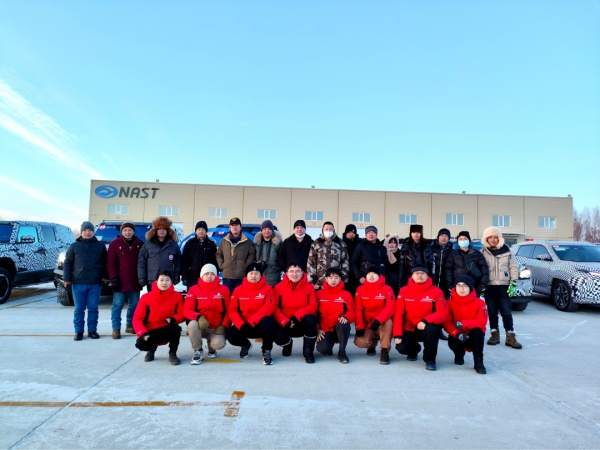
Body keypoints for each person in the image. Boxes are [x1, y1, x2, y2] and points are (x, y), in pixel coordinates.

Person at [393, 266, 448, 371]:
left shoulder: (436, 291)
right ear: (412, 276)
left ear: (427, 276)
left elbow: (443, 313)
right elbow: (398, 314)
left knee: (433, 329)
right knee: (401, 347)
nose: (419, 276)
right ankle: (414, 350)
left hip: (426, 326)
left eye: (423, 273)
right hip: (410, 327)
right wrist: (397, 334)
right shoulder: (404, 291)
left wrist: (426, 320)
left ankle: (430, 359)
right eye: (416, 273)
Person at [226, 262, 278, 365]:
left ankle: (266, 351)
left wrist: (253, 321)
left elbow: (269, 307)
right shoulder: (238, 290)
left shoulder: (267, 289)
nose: (253, 276)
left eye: (256, 273)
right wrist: (241, 325)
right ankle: (245, 344)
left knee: (269, 322)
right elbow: (232, 310)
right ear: (246, 275)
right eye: (251, 273)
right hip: (245, 325)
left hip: (260, 325)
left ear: (261, 275)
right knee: (230, 334)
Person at [63, 221, 107, 341]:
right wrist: (67, 278)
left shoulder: (100, 246)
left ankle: (92, 331)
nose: (88, 232)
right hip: (78, 283)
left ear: (93, 232)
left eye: (90, 230)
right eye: (85, 230)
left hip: (95, 283)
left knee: (93, 308)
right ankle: (79, 332)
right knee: (79, 309)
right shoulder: (74, 246)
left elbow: (105, 263)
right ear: (82, 232)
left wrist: (104, 276)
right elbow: (68, 263)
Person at [480, 226, 522, 349]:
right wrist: (481, 285)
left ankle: (510, 336)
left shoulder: (507, 251)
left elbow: (513, 267)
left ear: (499, 238)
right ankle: (494, 334)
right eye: (490, 237)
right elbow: (479, 269)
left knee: (506, 312)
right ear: (486, 239)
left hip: (504, 286)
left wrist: (514, 282)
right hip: (489, 287)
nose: (493, 240)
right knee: (492, 312)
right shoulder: (482, 253)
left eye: (495, 237)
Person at [132, 271, 184, 365]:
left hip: (166, 328)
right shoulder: (146, 298)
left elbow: (181, 314)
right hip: (150, 330)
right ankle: (151, 351)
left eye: (167, 280)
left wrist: (173, 319)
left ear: (171, 282)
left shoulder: (177, 297)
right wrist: (143, 333)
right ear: (156, 281)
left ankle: (173, 353)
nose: (164, 283)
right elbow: (137, 319)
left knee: (176, 329)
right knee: (140, 343)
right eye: (162, 280)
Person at [184, 263, 230, 364]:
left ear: (216, 276)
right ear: (201, 275)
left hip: (216, 328)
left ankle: (211, 347)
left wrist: (224, 325)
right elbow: (186, 310)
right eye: (206, 274)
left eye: (212, 274)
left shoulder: (223, 290)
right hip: (201, 326)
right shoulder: (193, 290)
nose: (209, 276)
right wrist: (198, 317)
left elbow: (229, 310)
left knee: (218, 344)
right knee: (192, 325)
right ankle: (198, 350)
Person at [273, 264, 318, 363]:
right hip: (286, 322)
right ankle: (287, 343)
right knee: (273, 328)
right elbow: (274, 308)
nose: (294, 274)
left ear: (302, 273)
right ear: (286, 273)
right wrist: (285, 321)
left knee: (311, 320)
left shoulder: (309, 287)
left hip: (301, 322)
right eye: (291, 271)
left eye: (298, 271)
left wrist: (297, 317)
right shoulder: (278, 287)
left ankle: (308, 352)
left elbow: (313, 306)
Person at [444, 275, 488, 374]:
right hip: (457, 333)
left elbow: (482, 321)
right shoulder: (449, 303)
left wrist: (463, 323)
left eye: (464, 286)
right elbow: (446, 322)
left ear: (470, 287)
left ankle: (479, 363)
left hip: (473, 334)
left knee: (478, 332)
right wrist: (456, 333)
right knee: (453, 342)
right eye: (458, 285)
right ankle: (459, 354)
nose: (461, 288)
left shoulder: (480, 303)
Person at [107, 222, 143, 339]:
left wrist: (141, 278)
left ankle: (130, 325)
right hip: (120, 282)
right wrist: (113, 279)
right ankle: (116, 329)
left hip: (134, 281)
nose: (128, 232)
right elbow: (111, 264)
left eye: (130, 230)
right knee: (117, 305)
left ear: (133, 231)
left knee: (134, 305)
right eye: (125, 230)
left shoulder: (139, 244)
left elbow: (142, 263)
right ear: (121, 232)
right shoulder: (115, 244)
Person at [354, 266, 395, 364]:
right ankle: (372, 344)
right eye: (369, 274)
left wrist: (378, 320)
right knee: (360, 342)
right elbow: (358, 309)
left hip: (382, 321)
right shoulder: (360, 289)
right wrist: (359, 327)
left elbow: (390, 307)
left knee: (388, 321)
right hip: (368, 323)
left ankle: (385, 350)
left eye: (374, 274)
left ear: (379, 276)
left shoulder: (387, 289)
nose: (371, 276)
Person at [316, 268, 354, 363]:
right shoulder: (318, 294)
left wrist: (346, 317)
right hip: (325, 329)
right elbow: (314, 313)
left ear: (340, 279)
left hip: (339, 327)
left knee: (343, 324)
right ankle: (329, 344)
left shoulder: (346, 295)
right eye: (330, 277)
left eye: (336, 277)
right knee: (323, 350)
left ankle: (342, 352)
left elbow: (352, 312)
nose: (333, 280)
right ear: (326, 279)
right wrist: (317, 329)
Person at [137, 216, 181, 292]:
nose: (162, 231)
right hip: (152, 280)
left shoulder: (173, 245)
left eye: (164, 229)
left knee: (167, 302)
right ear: (155, 231)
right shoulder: (148, 244)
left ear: (168, 231)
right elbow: (141, 262)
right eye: (159, 229)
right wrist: (141, 277)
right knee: (153, 302)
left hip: (167, 280)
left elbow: (178, 262)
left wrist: (176, 276)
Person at [216, 217, 256, 293]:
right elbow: (218, 254)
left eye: (237, 225)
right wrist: (222, 265)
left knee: (240, 299)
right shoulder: (224, 241)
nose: (234, 227)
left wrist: (246, 266)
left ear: (240, 227)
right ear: (230, 227)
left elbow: (252, 255)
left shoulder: (247, 242)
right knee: (227, 298)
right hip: (227, 276)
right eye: (232, 225)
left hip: (241, 276)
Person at [307, 222, 350, 289]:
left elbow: (345, 263)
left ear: (334, 230)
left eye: (330, 229)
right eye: (326, 229)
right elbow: (311, 262)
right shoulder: (316, 243)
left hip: (336, 282)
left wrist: (344, 280)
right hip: (320, 283)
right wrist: (312, 281)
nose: (328, 231)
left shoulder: (341, 243)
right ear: (322, 230)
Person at [445, 231, 489, 296]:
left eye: (465, 239)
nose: (463, 241)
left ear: (469, 240)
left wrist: (482, 285)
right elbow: (448, 270)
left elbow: (484, 270)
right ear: (458, 242)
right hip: (458, 287)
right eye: (460, 239)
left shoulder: (477, 254)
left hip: (474, 287)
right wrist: (450, 285)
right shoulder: (453, 254)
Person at [181, 220, 218, 289]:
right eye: (199, 229)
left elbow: (215, 261)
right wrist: (184, 276)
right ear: (196, 231)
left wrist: (215, 274)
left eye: (203, 229)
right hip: (192, 277)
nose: (201, 231)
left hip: (207, 277)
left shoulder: (211, 244)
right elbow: (184, 261)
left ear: (206, 231)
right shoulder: (190, 243)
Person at [254, 220, 283, 286]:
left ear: (272, 230)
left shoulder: (278, 244)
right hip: (259, 277)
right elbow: (253, 258)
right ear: (261, 230)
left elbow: (282, 259)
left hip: (274, 276)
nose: (267, 231)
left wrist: (276, 269)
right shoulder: (257, 243)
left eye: (269, 229)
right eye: (264, 229)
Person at [425, 228, 453, 298]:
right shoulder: (430, 249)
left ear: (449, 238)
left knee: (443, 304)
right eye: (442, 235)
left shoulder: (452, 251)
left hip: (445, 284)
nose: (444, 238)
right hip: (431, 283)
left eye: (446, 236)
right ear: (438, 237)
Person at [342, 224, 361, 295]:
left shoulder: (359, 243)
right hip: (345, 272)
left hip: (356, 272)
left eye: (353, 232)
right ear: (346, 233)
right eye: (349, 232)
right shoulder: (341, 242)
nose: (351, 234)